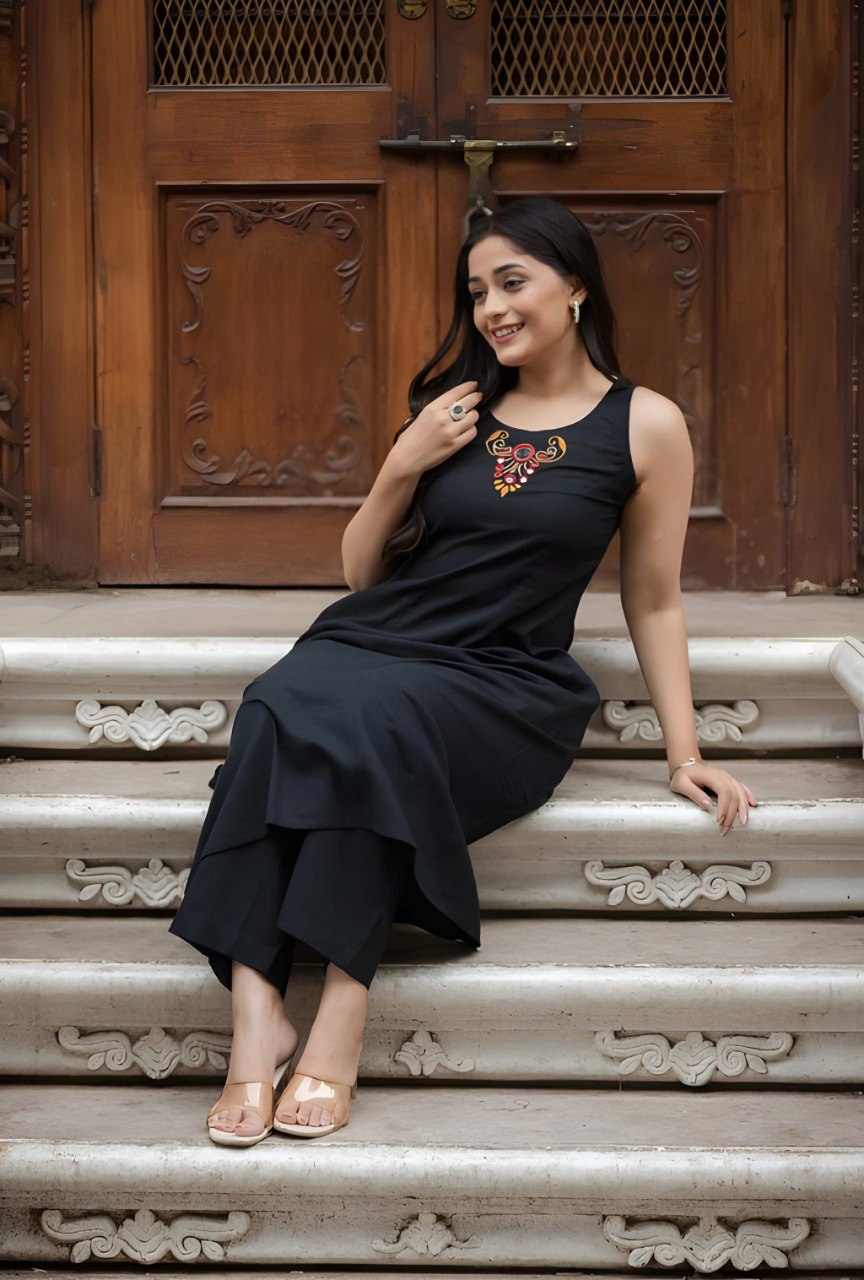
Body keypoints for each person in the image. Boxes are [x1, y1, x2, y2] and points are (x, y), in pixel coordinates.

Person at [168, 196, 757, 1147]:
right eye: (478, 291)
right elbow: (362, 575)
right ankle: (255, 1019)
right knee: (278, 699)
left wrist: (682, 752)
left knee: (377, 725)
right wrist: (401, 463)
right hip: (379, 639)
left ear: (576, 285)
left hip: (504, 681)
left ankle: (342, 1010)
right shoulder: (454, 410)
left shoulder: (644, 423)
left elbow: (653, 600)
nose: (491, 308)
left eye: (512, 282)